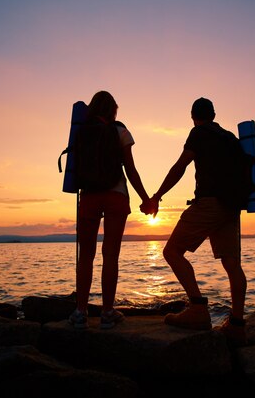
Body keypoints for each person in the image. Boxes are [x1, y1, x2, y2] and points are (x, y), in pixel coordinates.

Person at [143, 97, 247, 345]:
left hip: (210, 203)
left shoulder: (198, 133)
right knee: (232, 264)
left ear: (193, 116)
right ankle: (237, 324)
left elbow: (180, 166)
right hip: (231, 207)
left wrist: (157, 196)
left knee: (172, 252)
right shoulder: (229, 137)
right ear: (214, 114)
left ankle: (198, 309)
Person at [68, 90, 151, 329]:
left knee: (86, 255)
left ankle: (80, 312)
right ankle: (106, 312)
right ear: (113, 109)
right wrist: (145, 199)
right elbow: (131, 170)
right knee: (110, 255)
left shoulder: (81, 131)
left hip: (89, 197)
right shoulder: (120, 131)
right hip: (116, 195)